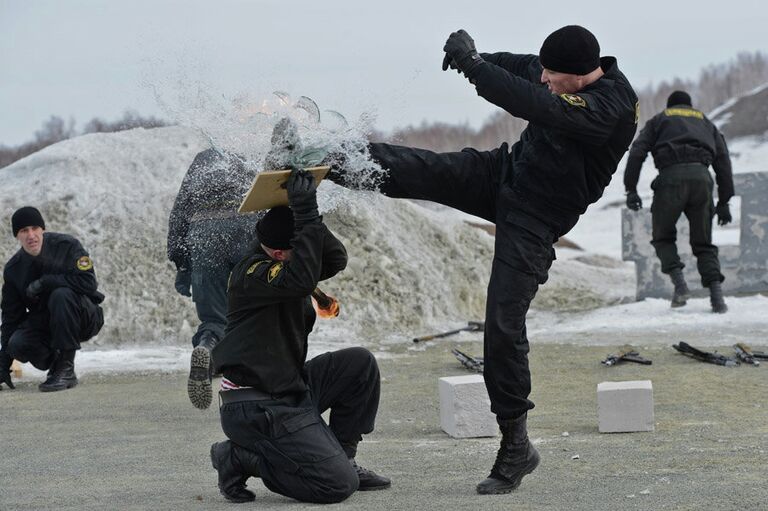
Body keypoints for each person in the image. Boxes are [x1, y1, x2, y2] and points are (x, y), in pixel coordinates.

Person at [325, 25, 638, 494]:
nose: (545, 78)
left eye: (553, 75)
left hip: (538, 217)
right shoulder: (567, 71)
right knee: (422, 168)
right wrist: (477, 55)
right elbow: (524, 68)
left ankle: (516, 445)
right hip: (505, 173)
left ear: (579, 76)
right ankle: (329, 158)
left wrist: (475, 70)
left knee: (503, 325)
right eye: (546, 72)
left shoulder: (610, 107)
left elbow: (538, 103)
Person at [208, 169, 390, 504]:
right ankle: (237, 457)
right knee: (337, 486)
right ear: (279, 254)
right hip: (256, 405)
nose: (311, 253)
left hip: (288, 388)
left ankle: (342, 454)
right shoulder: (252, 273)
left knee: (358, 364)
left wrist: (310, 214)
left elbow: (334, 259)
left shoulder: (286, 264)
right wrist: (304, 216)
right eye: (302, 247)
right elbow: (302, 280)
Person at [167, 147, 261, 409]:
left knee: (214, 316)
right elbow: (270, 197)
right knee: (253, 307)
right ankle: (251, 376)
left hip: (204, 233)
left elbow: (180, 210)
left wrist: (182, 263)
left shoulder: (203, 159)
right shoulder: (253, 153)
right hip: (247, 228)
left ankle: (208, 348)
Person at [623, 90, 734, 313]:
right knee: (703, 243)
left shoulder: (659, 119)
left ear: (670, 105)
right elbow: (723, 161)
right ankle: (717, 298)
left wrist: (631, 189)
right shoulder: (706, 122)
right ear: (690, 105)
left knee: (663, 237)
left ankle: (680, 285)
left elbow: (637, 152)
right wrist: (724, 201)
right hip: (702, 180)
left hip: (670, 180)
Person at [0, 206, 104, 392]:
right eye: (24, 231)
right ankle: (57, 363)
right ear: (17, 236)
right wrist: (3, 363)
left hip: (85, 316)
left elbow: (89, 283)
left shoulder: (68, 246)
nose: (31, 235)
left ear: (43, 229)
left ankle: (66, 368)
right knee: (16, 343)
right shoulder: (14, 270)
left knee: (60, 294)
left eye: (35, 228)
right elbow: (10, 318)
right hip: (48, 324)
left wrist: (47, 282)